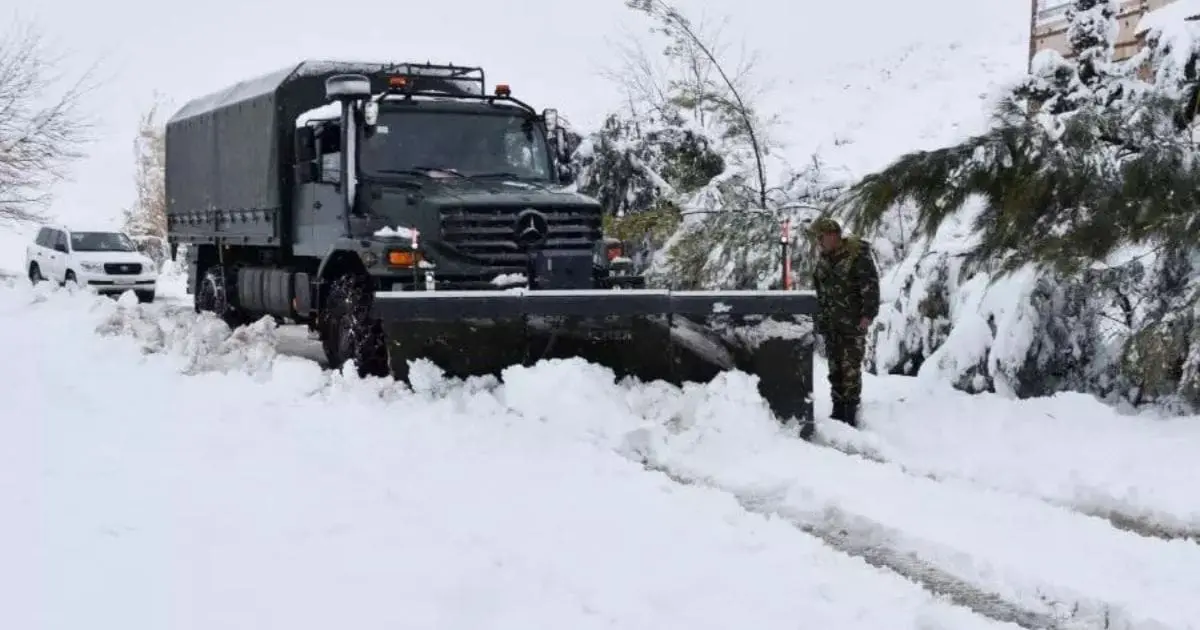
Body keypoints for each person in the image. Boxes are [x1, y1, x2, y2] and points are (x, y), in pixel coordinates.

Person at [809, 216, 880, 426]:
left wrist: (867, 315)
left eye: (822, 237)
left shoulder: (856, 257)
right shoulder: (824, 259)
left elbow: (870, 287)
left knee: (850, 369)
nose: (819, 242)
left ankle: (850, 412)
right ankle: (838, 409)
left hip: (852, 323)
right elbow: (821, 292)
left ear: (833, 236)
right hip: (831, 324)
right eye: (818, 238)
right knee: (835, 369)